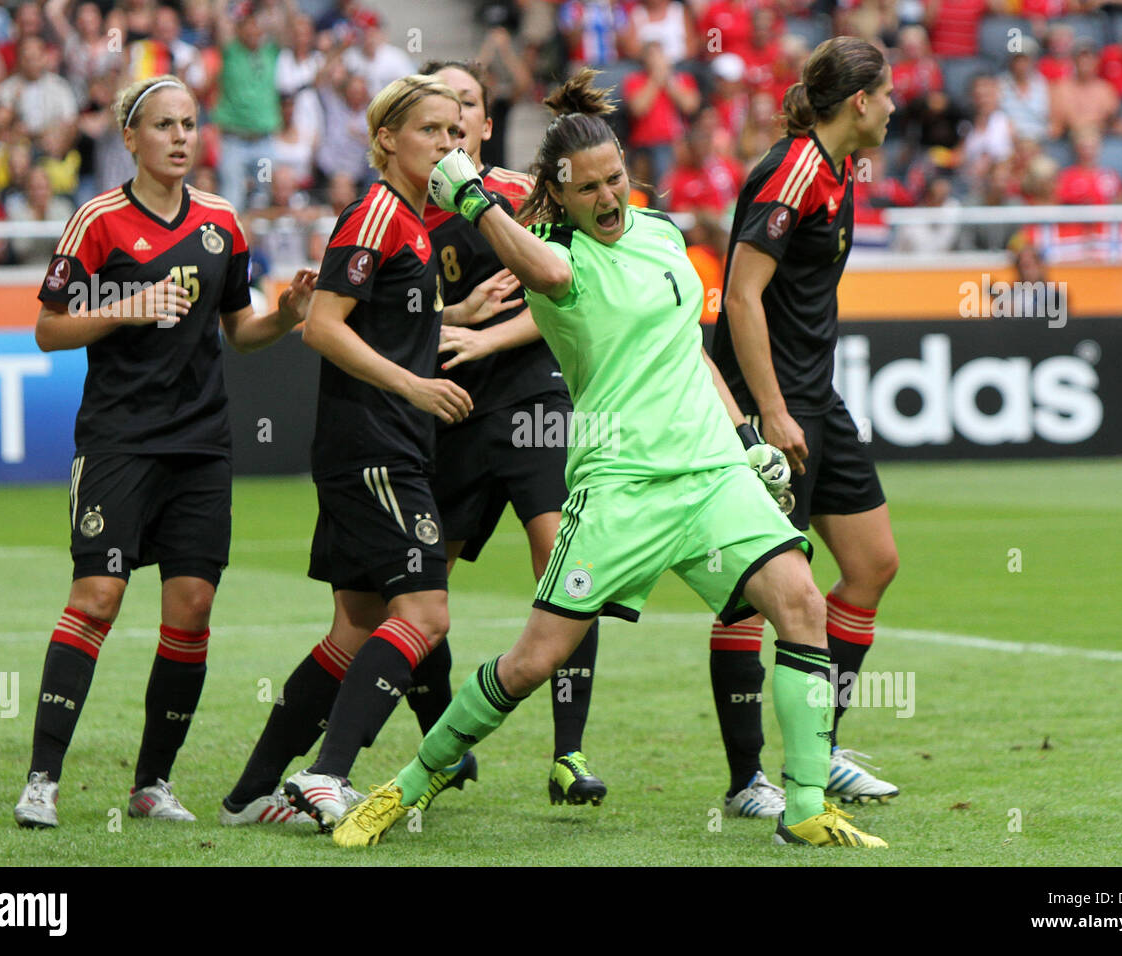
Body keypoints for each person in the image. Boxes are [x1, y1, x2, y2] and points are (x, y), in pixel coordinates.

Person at [334, 68, 889, 849]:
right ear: (555, 195)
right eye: (587, 187)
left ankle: (802, 807)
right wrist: (469, 195)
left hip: (708, 474)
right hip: (620, 488)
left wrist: (743, 437)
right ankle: (409, 783)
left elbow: (688, 349)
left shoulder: (663, 234)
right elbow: (546, 271)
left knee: (799, 606)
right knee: (532, 663)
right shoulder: (554, 255)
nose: (607, 197)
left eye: (616, 178)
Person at [12, 73, 317, 829]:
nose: (181, 137)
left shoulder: (221, 222)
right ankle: (42, 781)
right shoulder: (99, 222)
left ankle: (152, 785)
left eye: (189, 124)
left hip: (202, 444)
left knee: (193, 606)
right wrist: (125, 306)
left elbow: (239, 332)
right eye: (164, 126)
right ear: (131, 139)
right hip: (119, 439)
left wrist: (287, 317)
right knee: (99, 599)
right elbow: (48, 329)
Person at [221, 74, 473, 829]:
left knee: (356, 626)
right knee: (425, 613)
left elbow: (387, 317)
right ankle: (326, 774)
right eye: (432, 130)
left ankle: (250, 794)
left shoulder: (414, 222)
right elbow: (324, 327)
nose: (447, 145)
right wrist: (417, 387)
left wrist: (454, 312)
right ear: (388, 139)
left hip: (377, 444)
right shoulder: (375, 215)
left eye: (455, 133)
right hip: (374, 446)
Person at [708, 36, 902, 812]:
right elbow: (741, 295)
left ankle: (818, 747)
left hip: (816, 399)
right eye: (887, 95)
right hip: (772, 405)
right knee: (752, 594)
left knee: (873, 562)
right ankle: (749, 778)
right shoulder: (791, 172)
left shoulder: (838, 166)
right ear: (860, 101)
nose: (894, 108)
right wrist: (771, 414)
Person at [421, 59, 604, 806]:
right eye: (442, 107)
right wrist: (448, 327)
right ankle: (444, 742)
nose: (457, 118)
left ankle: (569, 754)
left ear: (487, 125)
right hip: (450, 409)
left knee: (563, 564)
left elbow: (563, 292)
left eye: (469, 104)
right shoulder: (404, 209)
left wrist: (485, 339)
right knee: (421, 583)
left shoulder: (517, 199)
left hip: (532, 398)